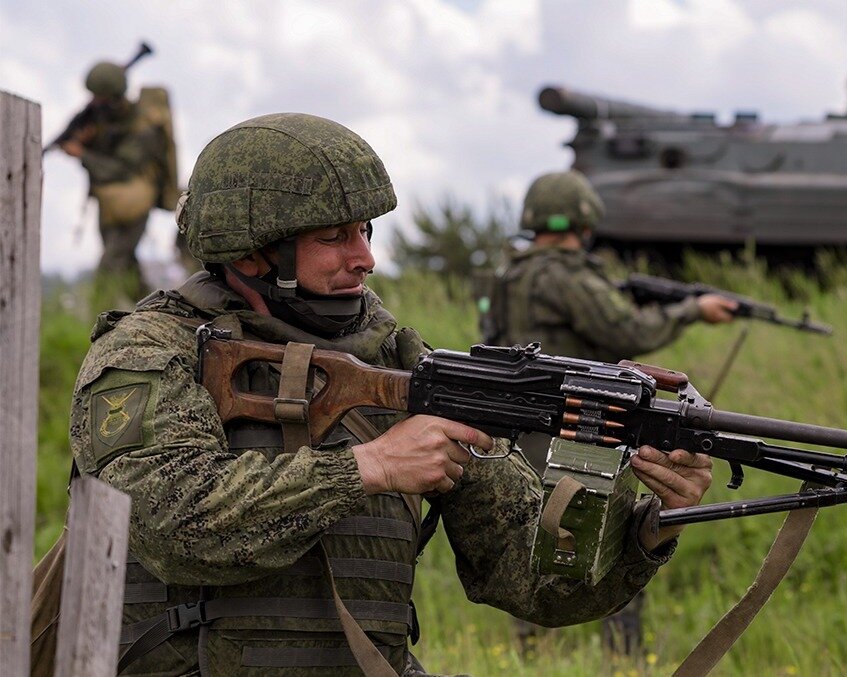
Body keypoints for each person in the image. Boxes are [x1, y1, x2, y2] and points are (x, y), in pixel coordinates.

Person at [67, 113, 713, 675]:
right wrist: (368, 468)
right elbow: (164, 520)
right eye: (333, 236)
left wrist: (647, 526)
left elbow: (534, 579)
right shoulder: (152, 351)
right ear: (256, 249)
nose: (364, 258)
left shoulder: (399, 358)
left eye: (365, 231)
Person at [483, 169, 737, 657]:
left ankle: (529, 659)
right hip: (581, 432)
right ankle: (623, 659)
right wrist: (691, 310)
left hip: (521, 435)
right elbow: (630, 334)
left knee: (532, 546)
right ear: (584, 222)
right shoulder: (566, 276)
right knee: (618, 537)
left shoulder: (509, 276)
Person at [54, 59, 182, 306]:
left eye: (100, 98)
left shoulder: (143, 127)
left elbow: (122, 169)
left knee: (111, 264)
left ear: (112, 98)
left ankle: (95, 323)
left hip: (134, 201)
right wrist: (89, 141)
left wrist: (82, 153)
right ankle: (158, 309)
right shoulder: (106, 121)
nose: (95, 104)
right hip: (114, 202)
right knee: (126, 263)